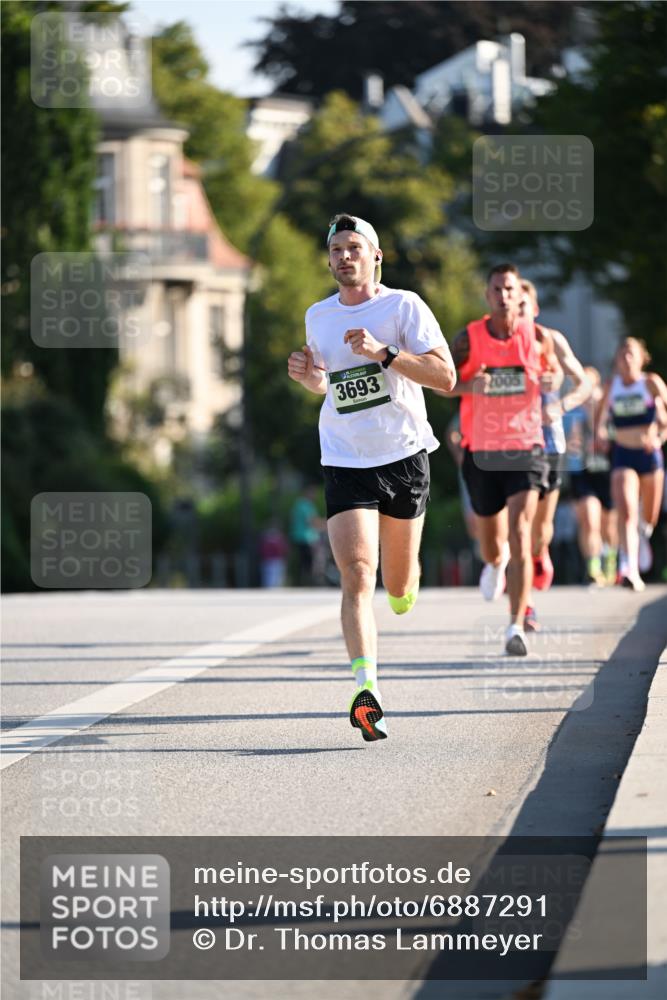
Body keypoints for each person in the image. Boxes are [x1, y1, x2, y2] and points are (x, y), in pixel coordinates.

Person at [287, 213, 456, 742]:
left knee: (398, 583)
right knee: (359, 572)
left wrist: (384, 353)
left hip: (403, 455)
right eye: (335, 249)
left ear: (376, 256)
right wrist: (310, 377)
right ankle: (368, 692)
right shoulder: (318, 315)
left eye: (353, 248)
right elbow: (329, 384)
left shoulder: (403, 306)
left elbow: (446, 378)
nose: (343, 257)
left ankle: (407, 584)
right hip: (344, 457)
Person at [438, 264, 549, 656]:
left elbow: (554, 373)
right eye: (497, 289)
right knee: (492, 546)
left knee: (521, 532)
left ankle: (515, 625)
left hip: (525, 445)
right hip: (481, 452)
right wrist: (471, 385)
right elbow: (441, 381)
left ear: (521, 295)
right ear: (487, 296)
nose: (504, 295)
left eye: (510, 289)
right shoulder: (467, 340)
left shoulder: (537, 337)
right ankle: (494, 563)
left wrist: (556, 386)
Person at [518, 280, 591, 628]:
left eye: (523, 304)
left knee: (540, 527)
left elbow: (584, 383)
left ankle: (539, 551)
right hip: (510, 444)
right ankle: (525, 604)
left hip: (548, 441)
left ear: (535, 308)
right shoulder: (493, 340)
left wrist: (561, 403)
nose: (516, 309)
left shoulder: (551, 338)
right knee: (519, 524)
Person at [595, 337, 667, 591]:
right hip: (623, 454)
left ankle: (643, 534)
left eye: (631, 354)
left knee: (649, 516)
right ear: (616, 360)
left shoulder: (651, 383)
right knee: (625, 511)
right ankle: (631, 569)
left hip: (650, 456)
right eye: (622, 354)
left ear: (641, 358)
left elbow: (666, 418)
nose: (626, 359)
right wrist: (601, 435)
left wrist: (659, 435)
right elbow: (600, 419)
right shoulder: (611, 386)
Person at [564, 366, 618, 585]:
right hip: (581, 471)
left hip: (605, 470)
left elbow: (617, 437)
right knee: (589, 519)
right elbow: (567, 446)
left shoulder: (608, 406)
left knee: (609, 525)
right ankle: (593, 566)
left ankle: (611, 559)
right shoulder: (570, 410)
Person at [289, 486, 322, 585]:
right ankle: (308, 582)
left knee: (302, 561)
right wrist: (326, 524)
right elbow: (311, 521)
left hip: (300, 537)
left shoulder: (300, 504)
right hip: (305, 538)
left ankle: (301, 581)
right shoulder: (305, 505)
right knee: (308, 562)